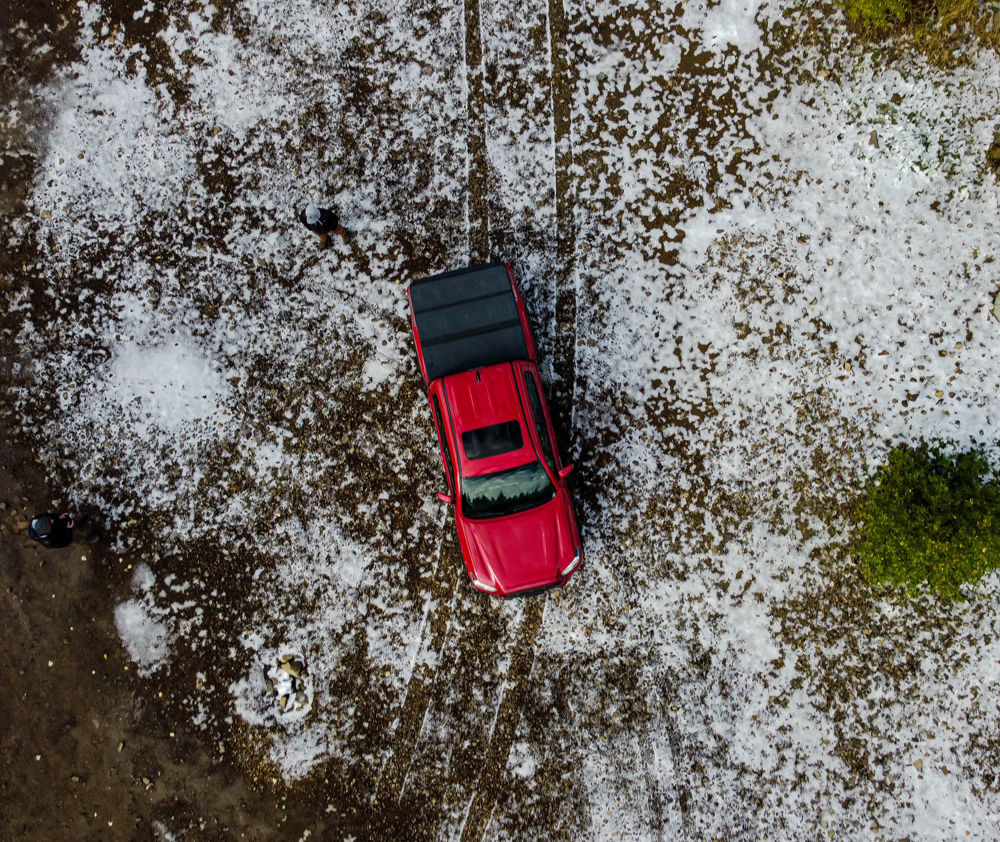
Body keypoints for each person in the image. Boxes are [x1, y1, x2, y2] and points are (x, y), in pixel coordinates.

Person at [28, 511, 101, 548]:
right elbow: (64, 542)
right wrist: (69, 530)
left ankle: (77, 521)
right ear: (48, 530)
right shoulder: (50, 542)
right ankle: (87, 540)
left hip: (63, 523)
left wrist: (59, 517)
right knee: (78, 539)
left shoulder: (36, 519)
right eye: (50, 522)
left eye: (47, 519)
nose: (51, 519)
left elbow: (50, 516)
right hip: (69, 536)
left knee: (73, 523)